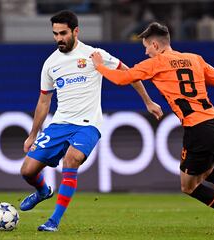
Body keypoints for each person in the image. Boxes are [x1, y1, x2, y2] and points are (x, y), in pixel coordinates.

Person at [90, 22, 214, 233]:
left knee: (188, 186)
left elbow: (122, 79)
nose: (145, 52)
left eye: (146, 47)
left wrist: (99, 66)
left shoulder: (156, 62)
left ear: (155, 45)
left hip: (198, 129)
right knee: (207, 172)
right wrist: (204, 75)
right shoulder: (194, 59)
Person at [19, 10, 163, 232]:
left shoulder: (94, 55)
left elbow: (129, 74)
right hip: (60, 124)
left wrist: (148, 102)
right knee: (27, 171)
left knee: (71, 159)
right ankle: (42, 192)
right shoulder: (50, 64)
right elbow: (43, 102)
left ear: (76, 31)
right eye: (55, 34)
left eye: (63, 33)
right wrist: (32, 134)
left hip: (88, 124)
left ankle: (53, 221)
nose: (59, 38)